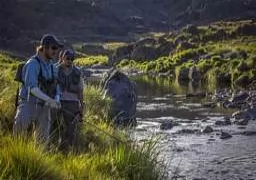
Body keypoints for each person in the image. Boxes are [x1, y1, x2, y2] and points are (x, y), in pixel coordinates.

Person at [13, 34, 63, 143]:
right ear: (44, 47)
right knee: (18, 137)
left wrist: (57, 100)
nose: (56, 51)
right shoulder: (32, 64)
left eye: (57, 48)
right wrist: (49, 100)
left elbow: (57, 86)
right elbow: (32, 89)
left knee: (42, 141)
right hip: (28, 104)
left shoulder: (52, 67)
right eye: (53, 48)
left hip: (44, 108)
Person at [54, 49, 84, 152]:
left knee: (71, 129)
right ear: (62, 58)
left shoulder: (77, 72)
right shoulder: (55, 70)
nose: (69, 61)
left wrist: (81, 108)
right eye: (67, 58)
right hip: (57, 103)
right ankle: (55, 149)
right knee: (55, 127)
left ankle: (69, 150)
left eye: (72, 59)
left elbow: (80, 91)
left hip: (73, 104)